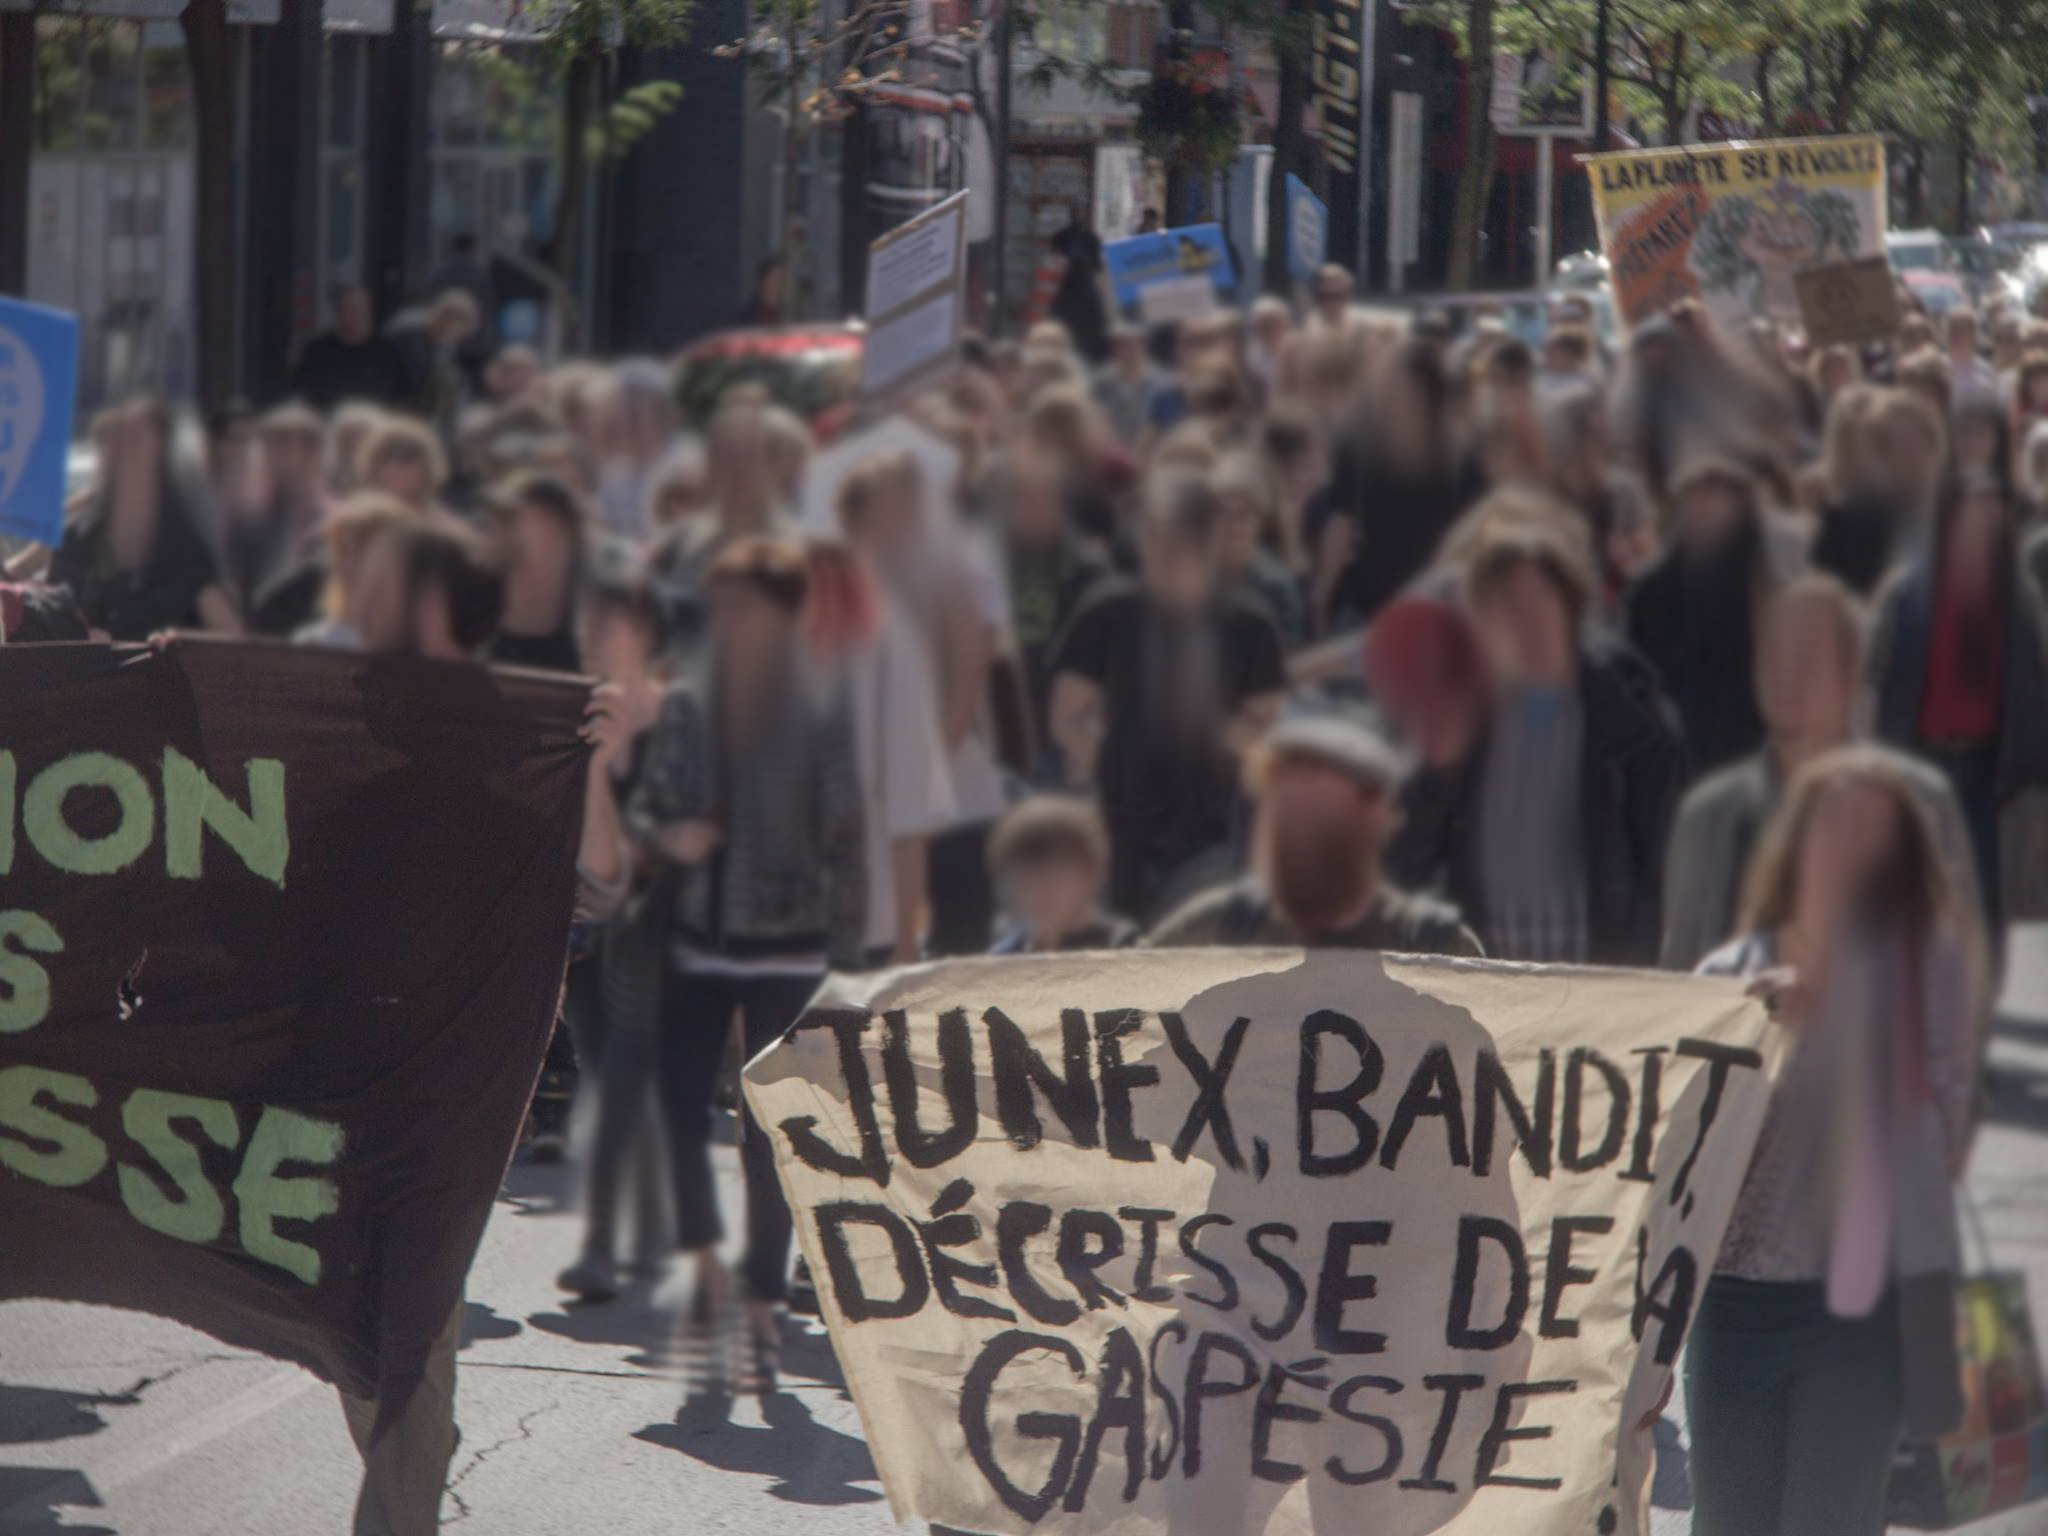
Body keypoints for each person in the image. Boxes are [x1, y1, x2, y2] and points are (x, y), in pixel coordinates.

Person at [333, 513, 630, 1536]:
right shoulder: (333, 702)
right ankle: (413, 1451)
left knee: (413, 1324)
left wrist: (587, 762)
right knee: (355, 1330)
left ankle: (402, 1505)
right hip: (337, 1069)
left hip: (456, 1079)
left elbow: (596, 885)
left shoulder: (523, 723)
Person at [1688, 748, 1983, 1536]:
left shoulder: (1932, 969)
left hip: (1862, 1315)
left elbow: (1937, 1136)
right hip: (1732, 1307)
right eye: (1831, 827)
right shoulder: (1726, 976)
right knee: (1727, 1524)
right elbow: (1683, 1165)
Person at [630, 536, 865, 1390]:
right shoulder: (691, 701)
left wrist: (849, 957)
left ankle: (765, 1295)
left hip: (790, 945)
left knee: (770, 1126)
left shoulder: (820, 704)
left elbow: (848, 829)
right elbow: (652, 806)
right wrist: (671, 834)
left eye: (742, 605)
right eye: (718, 604)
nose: (725, 620)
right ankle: (703, 1256)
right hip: (696, 934)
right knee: (675, 1103)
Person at [1399, 511, 1687, 964]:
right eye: (1507, 602)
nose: (1525, 618)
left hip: (1602, 1000)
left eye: (1540, 598)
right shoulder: (1460, 721)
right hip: (1487, 997)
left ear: (1570, 608)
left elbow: (1665, 873)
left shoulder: (1633, 726)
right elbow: (1404, 865)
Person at [1660, 576, 1984, 969]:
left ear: (1852, 674)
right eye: (1775, 651)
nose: (1787, 672)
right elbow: (1679, 969)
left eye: (1806, 654)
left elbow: (1962, 964)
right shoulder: (1708, 813)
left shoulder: (1918, 798)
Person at [1048, 470, 1288, 922]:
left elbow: (1266, 726)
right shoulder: (1106, 612)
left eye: (1172, 540)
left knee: (1189, 965)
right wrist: (1105, 752)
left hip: (1212, 838)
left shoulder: (1249, 624)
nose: (1157, 553)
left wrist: (1209, 732)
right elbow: (1064, 717)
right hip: (1116, 837)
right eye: (1150, 537)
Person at [1869, 468, 2048, 933]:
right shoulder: (1906, 592)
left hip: (1988, 774)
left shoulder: (2019, 598)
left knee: (1985, 897)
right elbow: (1875, 677)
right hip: (1921, 763)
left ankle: (1982, 998)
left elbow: (2035, 682)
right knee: (1918, 894)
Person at [1148, 715, 1482, 954]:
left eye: (1315, 793)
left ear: (1379, 814)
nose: (1296, 815)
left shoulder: (1439, 946)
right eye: (1281, 796)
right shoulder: (1210, 931)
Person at [1623, 454, 1803, 777]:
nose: (1703, 505)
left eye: (1716, 493)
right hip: (1679, 745)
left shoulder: (1769, 583)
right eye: (1693, 493)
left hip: (1753, 737)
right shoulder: (1651, 591)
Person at [48, 397, 240, 640]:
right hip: (85, 677)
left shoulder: (183, 550)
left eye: (138, 437)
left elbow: (232, 639)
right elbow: (48, 624)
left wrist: (180, 643)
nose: (128, 447)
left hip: (159, 676)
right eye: (121, 436)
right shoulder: (81, 538)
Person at [987, 796, 1136, 953]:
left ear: (1092, 873)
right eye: (1027, 876)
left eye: (1059, 872)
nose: (1042, 889)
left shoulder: (1122, 948)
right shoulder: (1004, 958)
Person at [484, 472, 587, 673]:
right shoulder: (478, 589)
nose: (497, 526)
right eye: (497, 516)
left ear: (555, 525)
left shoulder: (595, 599)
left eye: (510, 516)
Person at [290, 284, 414, 411]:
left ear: (368, 311)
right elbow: (298, 400)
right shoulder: (316, 352)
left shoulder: (388, 355)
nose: (353, 316)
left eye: (358, 309)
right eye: (346, 309)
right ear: (337, 313)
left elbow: (401, 403)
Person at [426, 231, 497, 388]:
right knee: (476, 385)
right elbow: (488, 303)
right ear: (472, 249)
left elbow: (430, 297)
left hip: (444, 339)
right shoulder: (479, 272)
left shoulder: (442, 270)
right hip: (475, 341)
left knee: (444, 382)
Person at [1050, 203, 1109, 363]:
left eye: (1081, 211)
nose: (1079, 215)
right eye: (1077, 211)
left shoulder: (1089, 239)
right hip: (1072, 293)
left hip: (1079, 295)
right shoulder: (1064, 237)